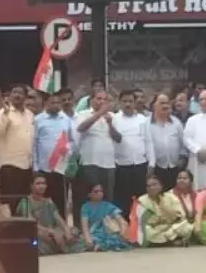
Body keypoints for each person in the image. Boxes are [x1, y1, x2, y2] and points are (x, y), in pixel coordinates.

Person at [73, 89, 121, 215]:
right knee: (89, 196)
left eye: (105, 99)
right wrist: (99, 113)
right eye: (99, 99)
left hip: (108, 163)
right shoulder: (82, 114)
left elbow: (118, 138)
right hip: (90, 162)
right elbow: (81, 128)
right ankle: (87, 223)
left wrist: (110, 124)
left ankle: (106, 223)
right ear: (91, 100)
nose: (102, 102)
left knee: (107, 197)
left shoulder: (113, 116)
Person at [31, 91, 75, 218]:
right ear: (46, 104)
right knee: (43, 201)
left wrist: (67, 151)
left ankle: (61, 226)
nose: (56, 105)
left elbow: (72, 140)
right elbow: (34, 144)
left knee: (60, 201)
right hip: (43, 168)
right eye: (53, 102)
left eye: (58, 103)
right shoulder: (38, 120)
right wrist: (35, 166)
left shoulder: (66, 119)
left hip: (60, 167)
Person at [15, 174, 82, 255]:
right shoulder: (25, 202)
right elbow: (31, 224)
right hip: (36, 233)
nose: (41, 186)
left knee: (73, 231)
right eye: (38, 183)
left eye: (43, 183)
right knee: (37, 240)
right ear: (31, 186)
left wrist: (66, 230)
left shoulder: (48, 202)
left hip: (52, 232)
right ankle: (62, 247)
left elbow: (58, 219)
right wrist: (50, 231)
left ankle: (60, 246)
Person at [112, 89, 154, 217]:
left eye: (130, 101)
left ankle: (140, 225)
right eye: (124, 101)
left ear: (135, 103)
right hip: (121, 165)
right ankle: (125, 225)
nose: (128, 104)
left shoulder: (143, 119)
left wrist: (152, 162)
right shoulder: (114, 119)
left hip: (140, 164)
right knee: (123, 199)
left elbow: (148, 141)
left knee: (141, 198)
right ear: (119, 102)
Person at [0, 84, 35, 210]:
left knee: (23, 203)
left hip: (26, 165)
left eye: (20, 93)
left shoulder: (30, 114)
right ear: (10, 96)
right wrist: (6, 116)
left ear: (25, 97)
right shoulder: (3, 113)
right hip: (9, 165)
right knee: (9, 202)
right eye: (14, 92)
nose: (17, 95)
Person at [132, 174, 193, 246]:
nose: (151, 188)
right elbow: (141, 221)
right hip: (155, 229)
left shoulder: (171, 197)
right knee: (145, 230)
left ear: (161, 186)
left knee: (186, 226)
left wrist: (164, 208)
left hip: (171, 227)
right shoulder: (142, 200)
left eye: (154, 185)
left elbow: (181, 216)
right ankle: (171, 242)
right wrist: (158, 221)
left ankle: (162, 242)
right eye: (148, 186)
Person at [146, 92, 187, 191]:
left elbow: (183, 142)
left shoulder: (176, 122)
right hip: (155, 168)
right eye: (162, 103)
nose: (165, 106)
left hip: (175, 167)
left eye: (167, 103)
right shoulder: (146, 124)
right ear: (154, 105)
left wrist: (182, 158)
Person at [79, 182, 132, 252]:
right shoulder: (85, 207)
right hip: (93, 235)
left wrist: (123, 232)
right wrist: (89, 241)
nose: (99, 193)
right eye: (96, 191)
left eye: (101, 191)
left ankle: (102, 246)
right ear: (89, 194)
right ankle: (99, 246)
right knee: (84, 242)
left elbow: (120, 220)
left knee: (116, 239)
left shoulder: (108, 206)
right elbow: (84, 226)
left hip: (108, 235)